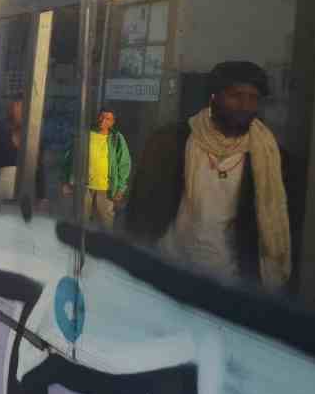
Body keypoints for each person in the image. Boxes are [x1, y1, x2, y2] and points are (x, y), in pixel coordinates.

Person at [125, 61, 294, 292]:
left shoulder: (268, 156)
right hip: (169, 270)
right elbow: (140, 209)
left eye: (253, 98)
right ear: (214, 97)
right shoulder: (172, 142)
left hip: (230, 284)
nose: (245, 105)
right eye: (236, 95)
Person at [61, 109, 131, 229]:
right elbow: (70, 157)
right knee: (80, 222)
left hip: (106, 189)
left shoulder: (116, 138)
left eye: (108, 119)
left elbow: (124, 163)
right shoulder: (85, 134)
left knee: (106, 224)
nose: (103, 120)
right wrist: (66, 180)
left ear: (113, 122)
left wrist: (121, 188)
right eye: (101, 117)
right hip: (84, 186)